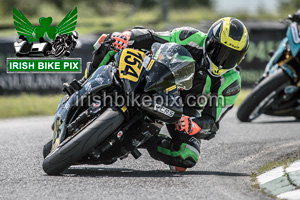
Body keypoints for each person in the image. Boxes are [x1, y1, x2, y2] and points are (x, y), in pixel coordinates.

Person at [80, 17, 249, 172]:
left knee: (186, 156)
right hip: (157, 77)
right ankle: (83, 85)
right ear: (210, 41)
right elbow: (152, 37)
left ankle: (142, 139)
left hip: (184, 109)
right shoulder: (190, 37)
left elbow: (212, 122)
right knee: (111, 42)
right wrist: (128, 36)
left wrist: (195, 125)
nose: (223, 60)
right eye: (220, 51)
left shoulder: (231, 82)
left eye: (232, 56)